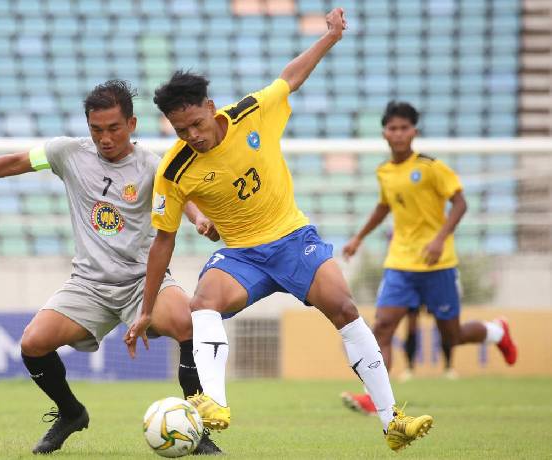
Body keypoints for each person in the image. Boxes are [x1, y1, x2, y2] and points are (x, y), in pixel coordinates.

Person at [124, 8, 432, 452]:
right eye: (180, 128)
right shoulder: (174, 170)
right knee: (202, 302)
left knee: (344, 308)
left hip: (292, 239)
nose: (192, 134)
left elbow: (290, 77)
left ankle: (392, 422)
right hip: (243, 255)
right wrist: (146, 308)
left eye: (196, 123)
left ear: (211, 108)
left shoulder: (252, 113)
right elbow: (163, 241)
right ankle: (213, 404)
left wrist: (330, 37)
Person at [0, 80, 222, 455]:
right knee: (33, 342)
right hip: (89, 285)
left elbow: (182, 197)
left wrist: (199, 219)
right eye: (96, 129)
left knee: (186, 322)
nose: (105, 138)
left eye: (113, 128)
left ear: (131, 124)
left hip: (142, 281)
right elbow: (15, 162)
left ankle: (199, 427)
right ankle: (71, 413)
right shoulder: (67, 153)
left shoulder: (152, 166)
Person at [339, 101, 518, 415]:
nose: (398, 133)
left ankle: (498, 332)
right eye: (392, 128)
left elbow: (460, 204)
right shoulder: (384, 171)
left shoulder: (433, 168)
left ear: (414, 132)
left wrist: (439, 239)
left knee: (453, 335)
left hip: (438, 264)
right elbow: (384, 207)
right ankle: (374, 397)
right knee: (382, 326)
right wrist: (358, 237)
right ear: (384, 133)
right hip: (399, 263)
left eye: (404, 128)